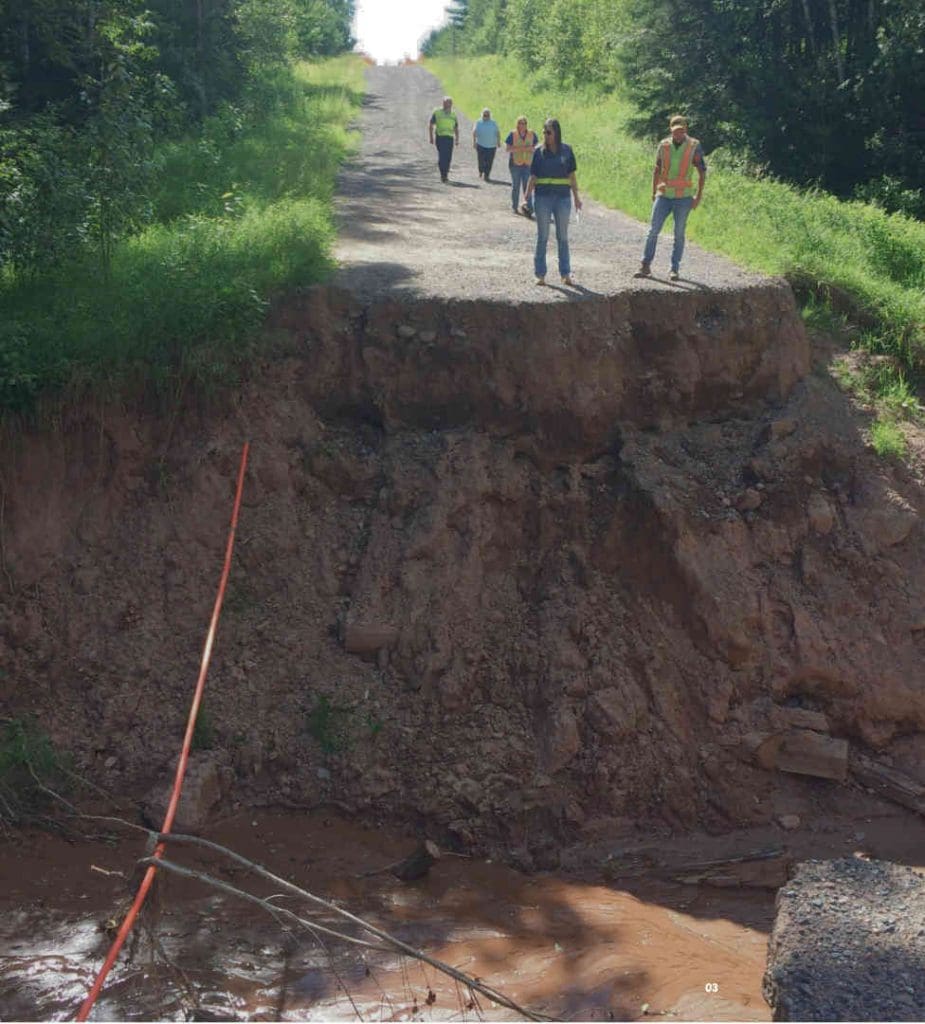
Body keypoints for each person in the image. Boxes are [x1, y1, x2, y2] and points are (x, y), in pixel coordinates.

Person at [635, 114, 706, 281]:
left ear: (685, 130)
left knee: (679, 234)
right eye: (675, 131)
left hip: (684, 198)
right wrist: (654, 192)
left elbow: (702, 171)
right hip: (664, 195)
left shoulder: (694, 146)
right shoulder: (664, 145)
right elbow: (657, 169)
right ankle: (645, 266)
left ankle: (674, 269)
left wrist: (698, 196)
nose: (678, 134)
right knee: (653, 231)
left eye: (681, 131)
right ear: (671, 130)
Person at [523, 118, 582, 286]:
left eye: (548, 132)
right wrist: (527, 195)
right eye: (544, 132)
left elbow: (572, 176)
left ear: (556, 133)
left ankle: (565, 273)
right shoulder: (538, 152)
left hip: (563, 199)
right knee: (542, 236)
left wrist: (576, 198)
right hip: (542, 198)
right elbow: (533, 176)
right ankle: (540, 274)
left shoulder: (567, 151)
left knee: (562, 237)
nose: (545, 135)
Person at [505, 116, 538, 216]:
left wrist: (531, 149)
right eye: (521, 123)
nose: (522, 125)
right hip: (515, 164)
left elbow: (536, 147)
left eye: (524, 123)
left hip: (528, 164)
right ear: (517, 124)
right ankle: (514, 207)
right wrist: (523, 148)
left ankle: (529, 208)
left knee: (527, 186)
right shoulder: (512, 134)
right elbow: (507, 149)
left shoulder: (532, 134)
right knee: (516, 186)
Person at [428, 96, 459, 183]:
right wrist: (431, 137)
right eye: (445, 103)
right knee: (442, 156)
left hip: (449, 138)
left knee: (448, 157)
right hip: (440, 137)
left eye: (449, 103)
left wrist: (457, 139)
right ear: (443, 103)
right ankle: (443, 174)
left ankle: (446, 174)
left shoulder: (453, 115)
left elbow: (456, 128)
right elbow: (431, 124)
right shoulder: (437, 112)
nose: (447, 105)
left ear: (451, 104)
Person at [472, 107, 501, 181]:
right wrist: (474, 142)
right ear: (482, 115)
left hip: (491, 146)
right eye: (484, 115)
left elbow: (498, 132)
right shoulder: (478, 122)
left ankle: (487, 175)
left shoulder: (493, 123)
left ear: (490, 116)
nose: (486, 117)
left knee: (489, 161)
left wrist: (498, 142)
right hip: (481, 144)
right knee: (481, 160)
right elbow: (474, 132)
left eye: (487, 115)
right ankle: (481, 171)